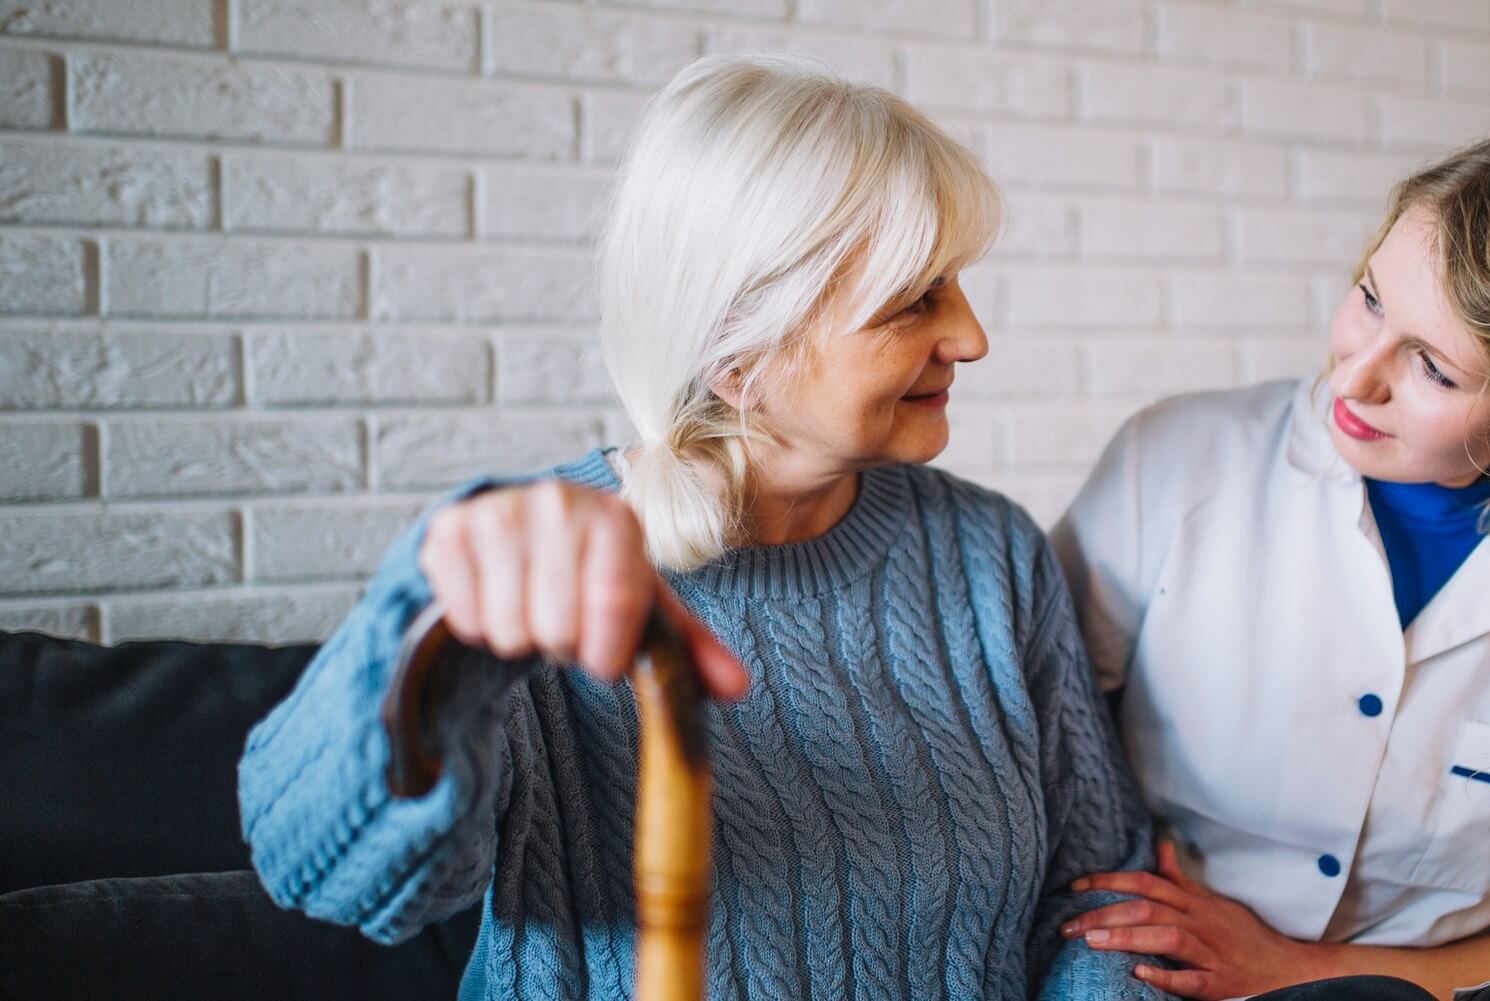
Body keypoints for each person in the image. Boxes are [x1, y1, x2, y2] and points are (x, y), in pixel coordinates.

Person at [239, 55, 1165, 1001]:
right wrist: (443, 637)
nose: (971, 338)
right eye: (914, 298)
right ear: (739, 353)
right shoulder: (553, 575)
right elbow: (332, 881)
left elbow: (1102, 907)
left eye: (957, 286)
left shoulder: (991, 556)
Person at [1050, 121, 1490, 1001]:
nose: (1353, 377)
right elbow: (1034, 751)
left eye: (1434, 368)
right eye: (1369, 299)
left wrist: (1299, 970)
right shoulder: (1171, 463)